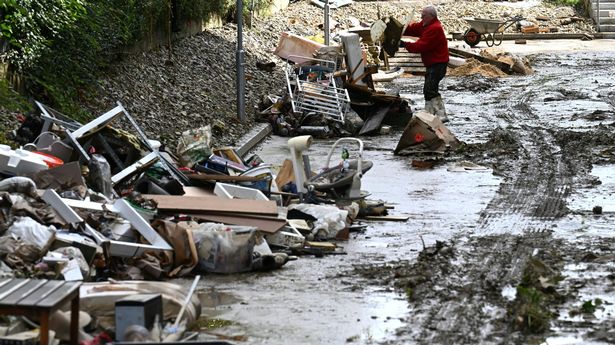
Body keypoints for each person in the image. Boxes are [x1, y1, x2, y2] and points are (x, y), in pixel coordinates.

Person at [401, 5, 449, 122]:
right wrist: (400, 28)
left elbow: (421, 45)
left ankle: (440, 115)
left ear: (431, 16)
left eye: (423, 15)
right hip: (434, 63)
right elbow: (413, 28)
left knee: (430, 89)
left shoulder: (434, 28)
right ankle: (431, 114)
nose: (421, 17)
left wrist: (405, 45)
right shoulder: (426, 24)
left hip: (438, 64)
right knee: (429, 89)